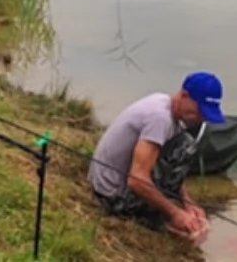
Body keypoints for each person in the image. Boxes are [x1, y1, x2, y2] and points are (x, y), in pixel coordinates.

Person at [88, 71, 225, 240]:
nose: (201, 118)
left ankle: (162, 209)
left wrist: (187, 202)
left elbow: (164, 165)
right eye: (200, 111)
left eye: (206, 114)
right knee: (186, 146)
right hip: (112, 196)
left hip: (106, 182)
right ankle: (149, 217)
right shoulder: (160, 119)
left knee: (184, 142)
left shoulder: (163, 102)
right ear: (184, 95)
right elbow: (136, 180)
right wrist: (175, 214)